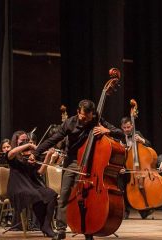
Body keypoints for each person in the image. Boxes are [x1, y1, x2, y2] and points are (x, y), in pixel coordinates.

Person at [30, 99, 124, 240]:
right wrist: (36, 153)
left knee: (86, 197)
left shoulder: (97, 120)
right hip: (73, 161)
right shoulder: (70, 123)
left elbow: (121, 133)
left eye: (88, 117)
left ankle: (88, 230)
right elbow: (53, 140)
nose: (84, 120)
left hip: (93, 163)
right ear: (78, 112)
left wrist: (107, 131)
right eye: (82, 117)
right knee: (65, 195)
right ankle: (61, 229)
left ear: (93, 114)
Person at [6, 131, 57, 237]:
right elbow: (10, 154)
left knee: (51, 194)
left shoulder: (29, 155)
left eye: (26, 140)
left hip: (31, 185)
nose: (25, 142)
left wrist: (48, 157)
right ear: (16, 141)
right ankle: (46, 227)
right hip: (18, 186)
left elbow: (40, 172)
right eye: (22, 140)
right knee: (36, 196)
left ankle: (46, 225)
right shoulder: (13, 155)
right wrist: (29, 144)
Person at [119, 116, 153, 219]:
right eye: (124, 128)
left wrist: (141, 140)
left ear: (132, 126)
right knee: (121, 186)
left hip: (137, 166)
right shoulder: (120, 137)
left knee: (140, 187)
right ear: (121, 127)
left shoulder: (137, 134)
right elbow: (119, 155)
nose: (126, 130)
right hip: (125, 167)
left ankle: (143, 210)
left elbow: (149, 145)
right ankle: (124, 210)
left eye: (128, 127)